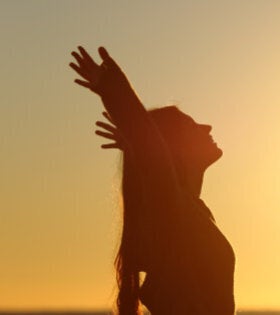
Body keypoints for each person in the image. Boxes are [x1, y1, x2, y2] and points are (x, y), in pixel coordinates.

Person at [70, 46, 236, 315]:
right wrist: (113, 90)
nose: (207, 127)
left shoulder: (190, 211)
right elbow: (157, 163)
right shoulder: (174, 211)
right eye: (191, 126)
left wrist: (136, 152)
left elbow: (157, 168)